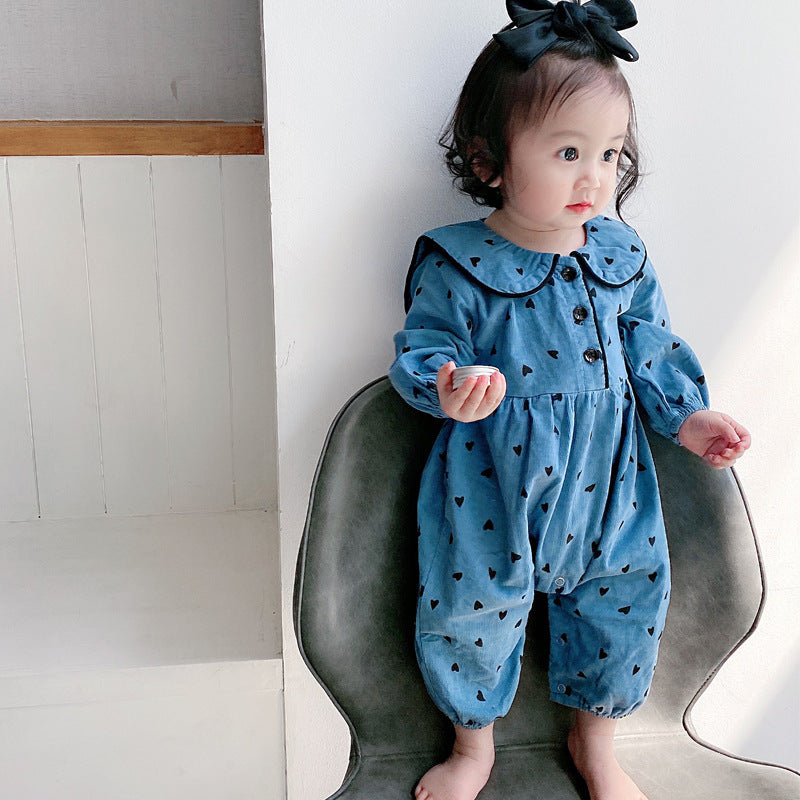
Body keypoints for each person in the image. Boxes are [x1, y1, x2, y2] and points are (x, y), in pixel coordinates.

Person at [388, 2, 751, 799]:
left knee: (626, 603)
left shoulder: (622, 255)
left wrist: (690, 418)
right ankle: (473, 748)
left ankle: (597, 744)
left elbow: (650, 349)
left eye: (609, 152)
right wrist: (449, 388)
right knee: (469, 611)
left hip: (611, 487)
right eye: (567, 152)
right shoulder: (459, 260)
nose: (595, 176)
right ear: (490, 160)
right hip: (492, 486)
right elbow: (422, 348)